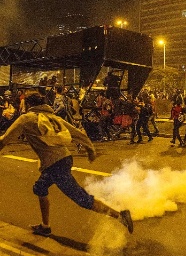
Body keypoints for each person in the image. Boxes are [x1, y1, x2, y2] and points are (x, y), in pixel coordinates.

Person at [0, 91, 133, 236]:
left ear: (29, 104)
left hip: (54, 164)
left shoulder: (26, 119)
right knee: (39, 188)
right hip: (65, 159)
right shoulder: (53, 117)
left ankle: (120, 215)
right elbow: (78, 134)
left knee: (82, 199)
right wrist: (90, 149)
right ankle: (45, 227)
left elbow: (4, 139)